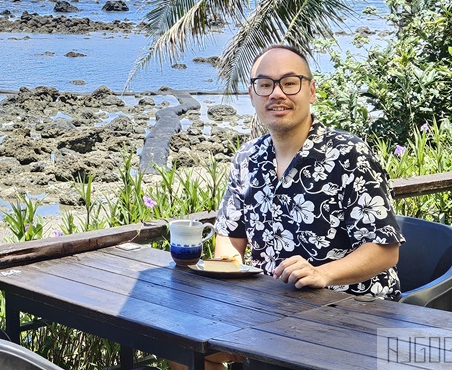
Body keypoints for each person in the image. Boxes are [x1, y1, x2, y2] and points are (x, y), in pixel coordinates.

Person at [171, 44, 403, 370]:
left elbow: (384, 250)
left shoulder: (350, 155)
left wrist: (322, 274)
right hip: (268, 309)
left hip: (351, 312)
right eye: (265, 84)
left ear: (311, 91)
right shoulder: (247, 159)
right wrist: (229, 260)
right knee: (182, 350)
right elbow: (229, 235)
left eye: (289, 82)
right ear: (252, 95)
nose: (276, 93)